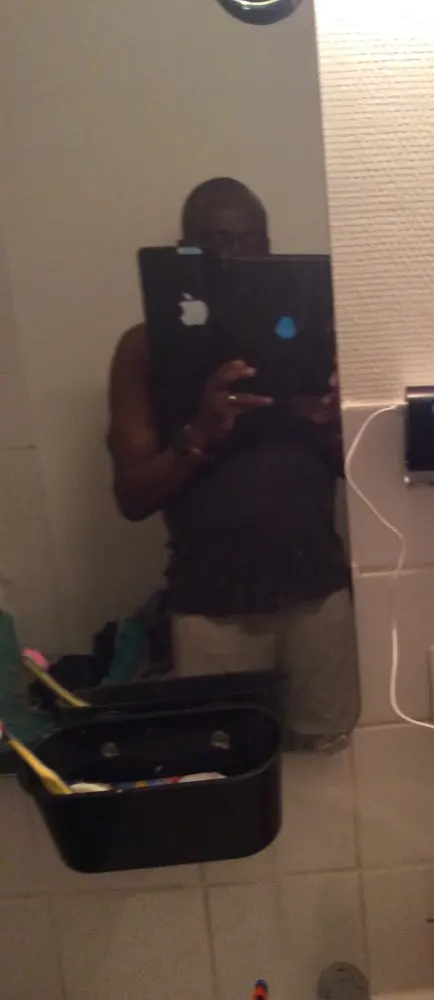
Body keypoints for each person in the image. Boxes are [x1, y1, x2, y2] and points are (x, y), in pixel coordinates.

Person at [107, 177, 359, 751]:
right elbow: (131, 497)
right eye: (219, 241)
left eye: (252, 240)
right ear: (186, 251)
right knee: (222, 765)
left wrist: (331, 424)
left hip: (316, 588)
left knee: (331, 761)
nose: (238, 255)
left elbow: (368, 477)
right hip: (208, 598)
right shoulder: (147, 348)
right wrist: (200, 432)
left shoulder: (320, 335)